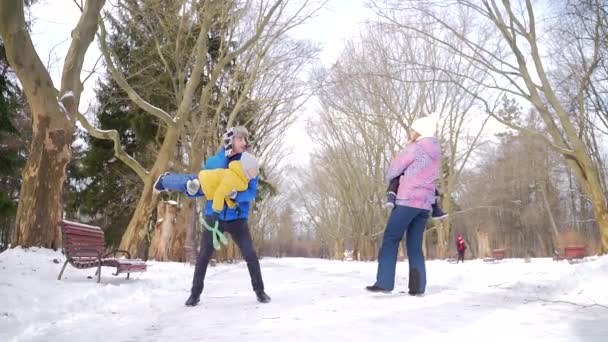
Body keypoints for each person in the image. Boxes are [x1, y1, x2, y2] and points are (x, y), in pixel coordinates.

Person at [153, 126, 270, 306]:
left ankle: (260, 291)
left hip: (237, 218)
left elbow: (251, 192)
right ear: (230, 140)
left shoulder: (249, 164)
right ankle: (194, 294)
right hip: (213, 216)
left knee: (250, 254)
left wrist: (236, 196)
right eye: (240, 139)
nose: (244, 143)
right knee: (203, 257)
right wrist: (225, 157)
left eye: (245, 140)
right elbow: (205, 185)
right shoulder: (216, 161)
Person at [366, 114, 441, 296]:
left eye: (414, 129)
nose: (411, 132)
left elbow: (394, 169)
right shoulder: (436, 151)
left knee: (391, 238)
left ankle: (384, 282)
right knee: (414, 245)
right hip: (424, 204)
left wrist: (392, 179)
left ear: (420, 131)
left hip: (407, 200)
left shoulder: (415, 148)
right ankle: (417, 287)